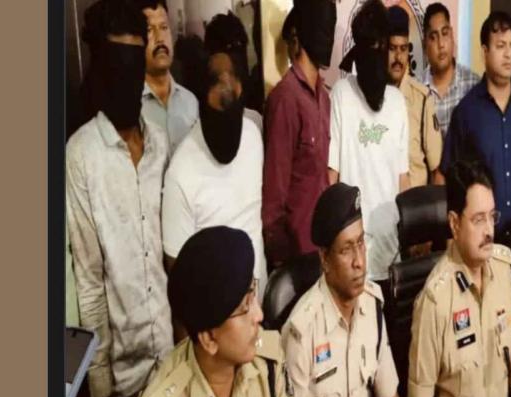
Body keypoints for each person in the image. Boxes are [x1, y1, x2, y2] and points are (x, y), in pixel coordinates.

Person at [66, 1, 173, 397]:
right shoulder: (82, 156)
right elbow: (90, 279)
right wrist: (100, 388)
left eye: (135, 63)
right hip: (121, 381)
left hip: (172, 360)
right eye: (117, 66)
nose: (127, 79)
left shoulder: (160, 143)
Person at [128, 227, 310, 397]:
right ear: (208, 339)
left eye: (252, 293)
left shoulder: (268, 364)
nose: (259, 315)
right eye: (244, 308)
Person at [408, 160, 511, 397]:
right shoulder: (434, 301)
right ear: (454, 223)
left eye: (492, 217)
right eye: (478, 220)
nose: (489, 231)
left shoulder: (503, 268)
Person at [282, 183, 406, 397]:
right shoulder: (301, 331)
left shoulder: (372, 307)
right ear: (325, 259)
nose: (359, 261)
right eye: (346, 249)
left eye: (361, 243)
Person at [162, 11, 268, 303]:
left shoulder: (253, 135)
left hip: (258, 310)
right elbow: (179, 274)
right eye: (218, 82)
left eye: (233, 78)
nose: (227, 89)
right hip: (215, 322)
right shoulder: (180, 172)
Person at [441, 11, 511, 240]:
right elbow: (449, 180)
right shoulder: (466, 111)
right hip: (481, 239)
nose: (508, 54)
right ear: (484, 52)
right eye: (500, 46)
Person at [328, 0, 409, 289]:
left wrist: (408, 236)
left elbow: (403, 179)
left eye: (382, 46)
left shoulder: (397, 103)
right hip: (351, 255)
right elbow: (332, 175)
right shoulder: (341, 94)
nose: (377, 55)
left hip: (391, 253)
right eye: (370, 47)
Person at [263, 0, 337, 270]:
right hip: (295, 256)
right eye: (323, 25)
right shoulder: (285, 99)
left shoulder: (324, 99)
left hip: (323, 250)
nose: (329, 36)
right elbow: (275, 190)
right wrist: (281, 260)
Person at [387, 5, 443, 188]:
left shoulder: (422, 99)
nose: (398, 57)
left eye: (403, 49)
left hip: (415, 202)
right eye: (392, 48)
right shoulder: (373, 97)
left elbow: (437, 170)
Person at [137, 0, 198, 153]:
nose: (160, 38)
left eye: (164, 28)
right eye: (149, 30)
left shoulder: (191, 102)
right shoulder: (131, 106)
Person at [422, 2, 480, 142]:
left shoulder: (474, 86)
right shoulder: (417, 91)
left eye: (445, 33)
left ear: (452, 36)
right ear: (425, 45)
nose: (441, 44)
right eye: (433, 37)